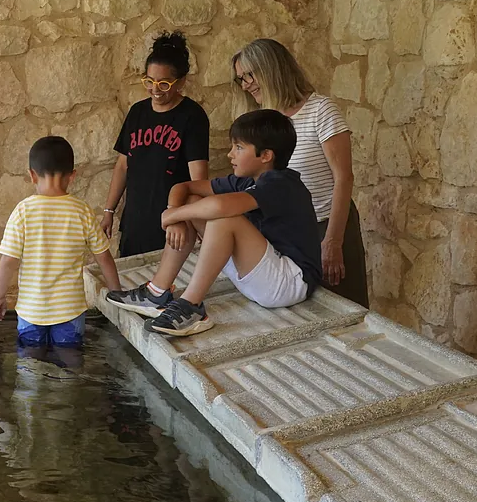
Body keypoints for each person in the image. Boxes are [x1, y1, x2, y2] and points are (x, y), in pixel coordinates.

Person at [106, 110, 324, 337]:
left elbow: (221, 208)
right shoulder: (247, 179)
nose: (231, 154)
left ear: (266, 155)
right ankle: (156, 292)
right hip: (260, 274)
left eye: (239, 148)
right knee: (193, 203)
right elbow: (184, 187)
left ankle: (192, 307)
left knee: (225, 220)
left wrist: (172, 216)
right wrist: (175, 214)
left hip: (290, 283)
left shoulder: (281, 183)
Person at [232, 38, 368, 306]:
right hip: (282, 231)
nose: (246, 84)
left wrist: (333, 241)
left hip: (325, 225)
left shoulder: (320, 110)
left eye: (250, 74)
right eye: (240, 79)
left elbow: (344, 178)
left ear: (272, 68)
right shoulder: (260, 122)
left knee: (343, 309)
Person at [0, 136, 122, 348]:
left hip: (32, 310)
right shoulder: (82, 211)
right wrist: (117, 294)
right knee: (69, 363)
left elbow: (8, 261)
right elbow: (104, 257)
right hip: (69, 310)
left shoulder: (23, 211)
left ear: (32, 175)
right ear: (72, 176)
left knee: (30, 365)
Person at [103, 31, 210, 257]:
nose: (155, 89)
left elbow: (198, 179)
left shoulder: (192, 116)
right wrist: (109, 211)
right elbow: (123, 165)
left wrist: (182, 217)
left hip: (172, 223)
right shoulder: (137, 112)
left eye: (164, 83)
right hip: (135, 220)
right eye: (150, 81)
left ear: (181, 82)